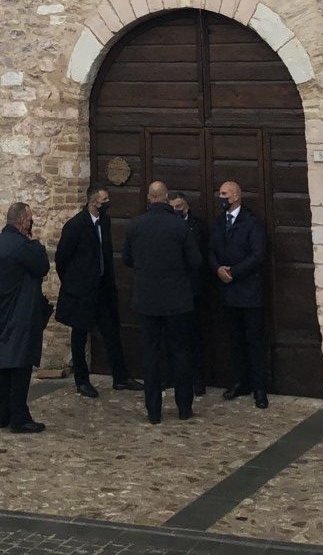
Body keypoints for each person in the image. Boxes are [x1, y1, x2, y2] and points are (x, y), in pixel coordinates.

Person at [121, 179, 200, 424]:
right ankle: (184, 407)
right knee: (180, 352)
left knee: (150, 355)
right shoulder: (179, 226)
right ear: (166, 198)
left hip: (147, 299)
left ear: (149, 197)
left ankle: (153, 411)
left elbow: (127, 259)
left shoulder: (135, 225)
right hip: (176, 298)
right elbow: (195, 260)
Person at [55, 183, 142, 398]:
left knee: (111, 331)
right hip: (82, 291)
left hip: (102, 288)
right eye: (104, 200)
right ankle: (82, 380)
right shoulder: (75, 226)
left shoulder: (105, 221)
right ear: (93, 202)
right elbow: (62, 258)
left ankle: (120, 376)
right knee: (79, 335)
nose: (107, 203)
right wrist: (75, 282)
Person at [0, 200, 52, 434]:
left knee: (3, 366)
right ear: (23, 221)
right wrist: (37, 244)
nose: (31, 223)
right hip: (21, 313)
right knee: (20, 365)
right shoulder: (23, 246)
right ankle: (19, 417)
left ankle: (2, 414)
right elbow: (42, 267)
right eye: (30, 219)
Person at [208, 178, 269, 408]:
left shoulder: (251, 223)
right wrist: (217, 269)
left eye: (225, 194)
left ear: (235, 196)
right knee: (234, 340)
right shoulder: (218, 223)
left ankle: (259, 388)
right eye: (220, 194)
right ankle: (239, 381)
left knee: (254, 340)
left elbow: (258, 254)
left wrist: (234, 271)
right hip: (228, 292)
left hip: (249, 291)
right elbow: (211, 250)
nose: (221, 198)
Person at [169, 190, 209, 396]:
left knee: (194, 336)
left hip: (193, 289)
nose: (177, 210)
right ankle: (172, 376)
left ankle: (197, 378)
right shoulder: (166, 226)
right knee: (172, 336)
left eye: (179, 207)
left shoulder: (197, 226)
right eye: (173, 207)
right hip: (171, 290)